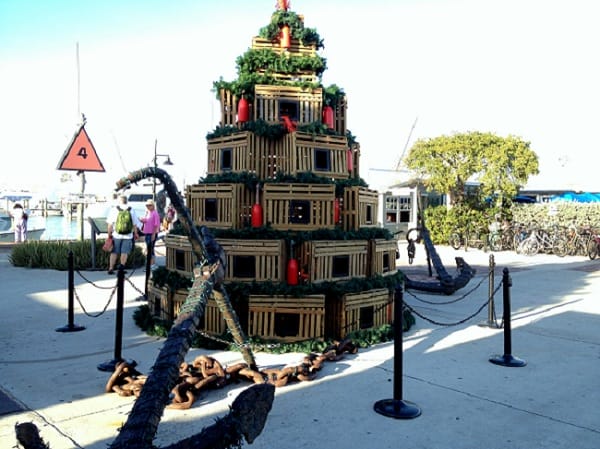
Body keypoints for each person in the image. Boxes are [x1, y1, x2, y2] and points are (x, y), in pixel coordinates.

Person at [106, 195, 141, 274]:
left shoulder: (114, 209)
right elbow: (135, 224)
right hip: (128, 235)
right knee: (124, 252)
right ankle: (121, 268)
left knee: (114, 252)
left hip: (116, 235)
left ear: (119, 201)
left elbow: (110, 224)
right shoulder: (131, 210)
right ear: (127, 201)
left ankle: (111, 268)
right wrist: (136, 233)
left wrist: (109, 234)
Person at [139, 199, 161, 267]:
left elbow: (156, 224)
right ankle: (150, 263)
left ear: (153, 205)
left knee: (150, 248)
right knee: (149, 248)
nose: (148, 207)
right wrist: (142, 219)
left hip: (152, 233)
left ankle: (153, 263)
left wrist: (154, 234)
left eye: (149, 205)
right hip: (147, 232)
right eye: (147, 205)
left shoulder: (155, 213)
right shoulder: (148, 212)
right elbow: (147, 220)